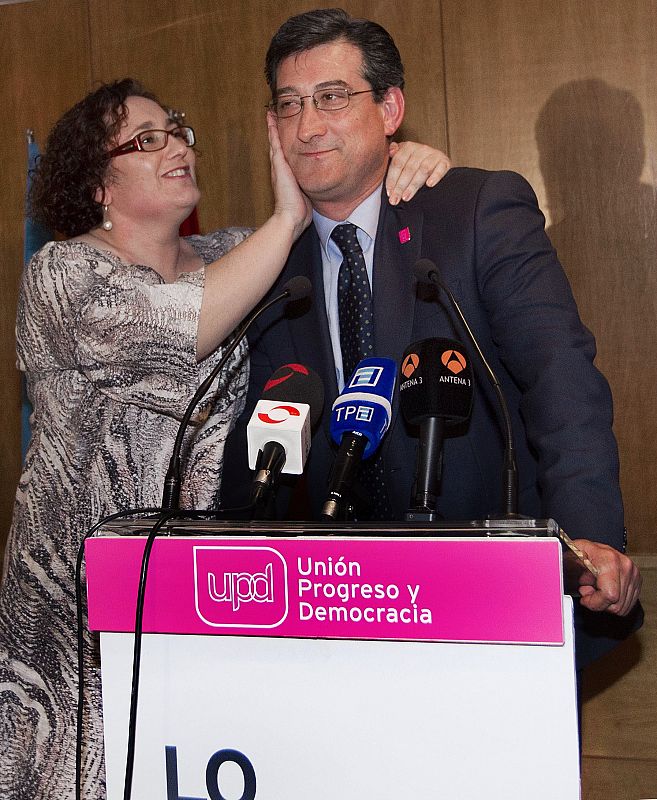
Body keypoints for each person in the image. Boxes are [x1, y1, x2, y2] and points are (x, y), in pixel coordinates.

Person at [0, 77, 450, 800]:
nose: (176, 144)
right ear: (96, 186)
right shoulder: (63, 273)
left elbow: (350, 239)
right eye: (146, 140)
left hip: (208, 597)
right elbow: (180, 328)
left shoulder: (235, 252)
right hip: (80, 624)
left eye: (175, 128)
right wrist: (285, 217)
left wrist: (403, 168)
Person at [221, 8, 642, 669]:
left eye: (331, 98)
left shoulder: (473, 211)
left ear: (389, 108)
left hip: (490, 602)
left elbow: (559, 378)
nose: (307, 127)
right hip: (335, 620)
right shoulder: (268, 266)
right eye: (289, 105)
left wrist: (587, 535)